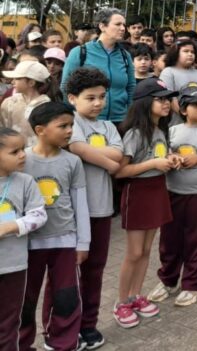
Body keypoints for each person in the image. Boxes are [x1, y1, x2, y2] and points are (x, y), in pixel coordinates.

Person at [21, 102, 89, 351]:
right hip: (27, 243)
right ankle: (20, 342)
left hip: (65, 240)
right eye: (63, 126)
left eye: (71, 125)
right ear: (40, 130)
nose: (70, 130)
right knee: (24, 298)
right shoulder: (22, 159)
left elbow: (80, 203)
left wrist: (83, 242)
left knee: (67, 296)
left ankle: (62, 342)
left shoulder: (73, 161)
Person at [64, 68, 124, 349]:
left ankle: (89, 324)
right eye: (91, 98)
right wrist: (110, 163)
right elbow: (74, 146)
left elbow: (118, 153)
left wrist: (103, 158)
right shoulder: (68, 123)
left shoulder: (108, 126)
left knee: (95, 270)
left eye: (102, 97)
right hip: (72, 214)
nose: (98, 103)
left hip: (100, 209)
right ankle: (64, 327)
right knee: (67, 273)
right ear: (72, 98)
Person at [149, 88, 197, 308]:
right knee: (169, 239)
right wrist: (173, 158)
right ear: (183, 109)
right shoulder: (172, 131)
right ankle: (168, 279)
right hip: (173, 192)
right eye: (196, 104)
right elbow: (163, 155)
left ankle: (194, 283)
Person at [114, 78, 177, 329]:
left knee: (147, 250)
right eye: (160, 99)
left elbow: (159, 157)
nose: (166, 104)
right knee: (134, 252)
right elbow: (120, 171)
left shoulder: (161, 131)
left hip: (157, 190)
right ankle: (121, 302)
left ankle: (136, 296)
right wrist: (153, 164)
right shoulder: (134, 133)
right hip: (138, 193)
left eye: (167, 99)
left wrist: (172, 159)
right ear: (144, 103)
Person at [0, 129, 47, 349]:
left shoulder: (25, 181)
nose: (23, 155)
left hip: (13, 266)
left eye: (22, 149)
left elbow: (39, 215)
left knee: (10, 321)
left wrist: (12, 226)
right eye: (14, 151)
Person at [61, 8, 135, 122]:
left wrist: (130, 116)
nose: (123, 28)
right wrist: (75, 114)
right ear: (102, 26)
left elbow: (131, 88)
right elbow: (65, 86)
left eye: (124, 25)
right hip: (86, 120)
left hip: (120, 121)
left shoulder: (125, 56)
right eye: (118, 24)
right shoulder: (80, 52)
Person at [0, 61, 53, 147]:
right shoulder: (9, 102)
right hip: (11, 154)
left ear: (31, 82)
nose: (12, 82)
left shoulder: (47, 106)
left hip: (37, 155)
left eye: (17, 78)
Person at [159, 39, 197, 124]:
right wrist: (186, 116)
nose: (190, 54)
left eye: (192, 52)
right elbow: (170, 98)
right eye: (186, 51)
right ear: (175, 53)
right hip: (176, 123)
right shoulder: (168, 72)